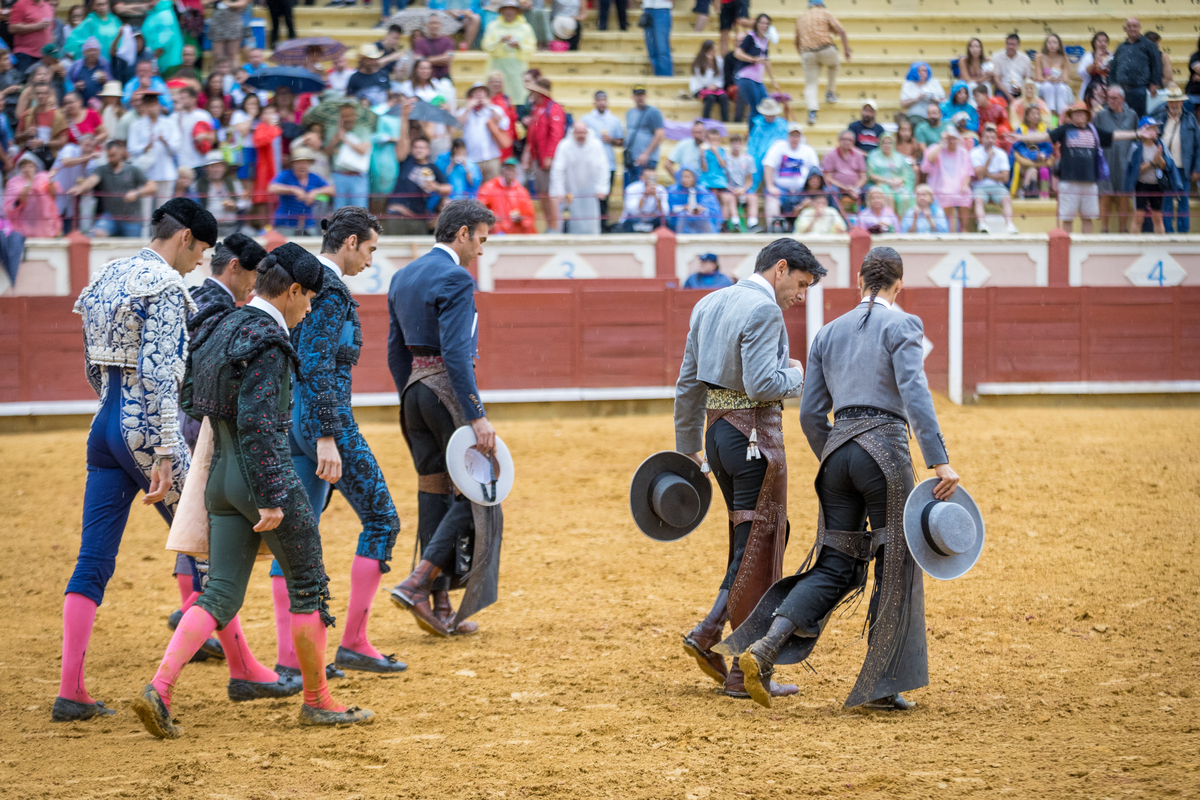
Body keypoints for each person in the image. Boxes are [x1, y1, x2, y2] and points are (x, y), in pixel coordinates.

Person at [132, 241, 374, 738]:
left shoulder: (220, 324)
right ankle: (319, 700)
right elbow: (262, 424)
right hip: (264, 478)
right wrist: (268, 494)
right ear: (292, 291)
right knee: (308, 585)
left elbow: (187, 396)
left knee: (219, 591)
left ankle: (161, 686)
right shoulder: (269, 339)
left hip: (218, 478)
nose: (308, 309)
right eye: (307, 300)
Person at [715, 246, 959, 713]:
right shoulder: (903, 324)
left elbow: (810, 413)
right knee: (896, 560)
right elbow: (915, 394)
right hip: (885, 453)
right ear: (898, 285)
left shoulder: (828, 331)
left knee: (833, 565)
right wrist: (938, 461)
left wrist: (835, 451)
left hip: (837, 454)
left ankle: (766, 648)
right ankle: (882, 686)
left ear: (859, 284)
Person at [54, 198, 217, 723]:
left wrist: (112, 412)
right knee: (209, 546)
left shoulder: (108, 275)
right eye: (202, 252)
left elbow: (91, 362)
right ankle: (239, 671)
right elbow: (161, 376)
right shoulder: (166, 286)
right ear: (186, 237)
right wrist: (166, 450)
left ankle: (71, 691)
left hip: (104, 426)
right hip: (146, 432)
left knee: (93, 559)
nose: (199, 264)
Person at [674, 238, 826, 700]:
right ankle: (727, 653)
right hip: (754, 439)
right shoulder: (763, 311)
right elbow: (764, 384)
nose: (801, 296)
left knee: (748, 543)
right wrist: (799, 374)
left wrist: (688, 450)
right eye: (800, 284)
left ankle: (713, 633)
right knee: (760, 546)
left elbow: (687, 384)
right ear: (780, 269)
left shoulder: (708, 302)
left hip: (718, 438)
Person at [269, 207, 407, 676]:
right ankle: (354, 641)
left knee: (293, 536)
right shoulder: (330, 290)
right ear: (349, 243)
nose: (370, 260)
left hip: (292, 419)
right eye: (369, 249)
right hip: (323, 420)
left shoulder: (305, 284)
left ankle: (292, 659)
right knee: (383, 522)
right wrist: (327, 434)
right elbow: (317, 363)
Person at [387, 199, 503, 638]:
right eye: (481, 238)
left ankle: (440, 600)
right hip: (447, 392)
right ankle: (419, 582)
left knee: (434, 492)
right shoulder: (456, 277)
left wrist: (411, 395)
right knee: (480, 491)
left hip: (414, 392)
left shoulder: (402, 276)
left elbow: (395, 352)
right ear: (462, 234)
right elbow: (455, 352)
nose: (481, 249)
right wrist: (475, 413)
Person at [71, 139, 155, 237]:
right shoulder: (102, 169)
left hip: (132, 219)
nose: (110, 159)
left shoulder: (133, 169)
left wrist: (137, 193)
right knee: (97, 233)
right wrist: (80, 188)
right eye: (108, 156)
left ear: (121, 153)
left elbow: (152, 186)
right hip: (110, 216)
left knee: (131, 248)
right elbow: (92, 180)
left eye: (113, 155)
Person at [389, 110, 451, 236]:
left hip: (418, 218)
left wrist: (436, 187)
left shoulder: (432, 167)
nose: (418, 150)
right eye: (416, 148)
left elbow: (448, 188)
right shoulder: (406, 161)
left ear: (428, 150)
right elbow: (404, 140)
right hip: (397, 215)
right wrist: (404, 117)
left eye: (422, 148)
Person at [794, 0, 849, 125]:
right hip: (826, 49)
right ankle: (830, 93)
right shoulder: (825, 13)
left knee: (810, 84)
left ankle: (812, 111)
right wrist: (846, 50)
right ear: (820, 5)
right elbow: (841, 31)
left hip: (807, 52)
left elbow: (796, 42)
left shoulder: (801, 18)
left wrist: (804, 56)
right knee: (834, 65)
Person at [550, 120, 609, 234]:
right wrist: (559, 191)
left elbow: (603, 168)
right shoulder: (564, 146)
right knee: (570, 223)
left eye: (583, 132)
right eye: (578, 132)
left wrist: (602, 188)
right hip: (570, 192)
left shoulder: (596, 145)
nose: (580, 135)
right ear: (573, 133)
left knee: (591, 223)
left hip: (591, 192)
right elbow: (558, 170)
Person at [522, 76, 565, 232]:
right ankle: (549, 224)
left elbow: (556, 134)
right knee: (542, 192)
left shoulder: (553, 108)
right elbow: (533, 133)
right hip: (537, 158)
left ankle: (554, 226)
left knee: (549, 193)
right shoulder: (537, 108)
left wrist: (550, 156)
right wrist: (529, 152)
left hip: (545, 159)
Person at [1151, 87, 1197, 234]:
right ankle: (1167, 232)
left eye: (1177, 102)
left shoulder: (1191, 119)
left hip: (1185, 167)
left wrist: (1197, 169)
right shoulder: (1160, 119)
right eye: (1172, 102)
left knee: (1183, 201)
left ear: (1182, 102)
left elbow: (1199, 147)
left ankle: (1183, 232)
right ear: (1168, 103)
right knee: (1167, 201)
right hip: (1166, 167)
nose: (1175, 105)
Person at [1094, 84, 1138, 233]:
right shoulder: (1101, 115)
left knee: (1124, 196)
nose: (1110, 101)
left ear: (1122, 99)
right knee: (1105, 196)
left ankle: (1123, 230)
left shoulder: (1132, 115)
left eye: (1114, 98)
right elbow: (1094, 138)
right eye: (1109, 98)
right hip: (1106, 162)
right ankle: (1104, 230)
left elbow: (1137, 141)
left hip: (1125, 163)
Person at [126, 90, 179, 210]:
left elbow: (176, 148)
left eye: (154, 104)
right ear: (143, 106)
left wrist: (165, 141)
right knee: (145, 212)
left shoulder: (169, 124)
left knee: (164, 212)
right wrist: (145, 147)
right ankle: (145, 230)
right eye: (148, 105)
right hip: (145, 175)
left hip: (165, 172)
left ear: (158, 105)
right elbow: (131, 149)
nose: (152, 108)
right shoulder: (136, 126)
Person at [762, 123, 818, 233]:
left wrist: (811, 190)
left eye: (797, 136)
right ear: (788, 136)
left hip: (802, 191)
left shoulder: (808, 150)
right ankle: (774, 230)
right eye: (792, 135)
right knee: (772, 202)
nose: (795, 138)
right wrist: (770, 186)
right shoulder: (778, 147)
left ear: (801, 137)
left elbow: (815, 171)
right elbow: (768, 165)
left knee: (813, 202)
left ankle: (806, 231)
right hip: (780, 190)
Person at [581, 90, 624, 230]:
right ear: (594, 102)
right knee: (589, 195)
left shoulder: (614, 120)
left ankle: (602, 226)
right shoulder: (586, 120)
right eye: (599, 100)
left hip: (609, 164)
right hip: (591, 164)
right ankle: (589, 225)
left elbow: (621, 141)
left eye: (604, 100)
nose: (602, 102)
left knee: (604, 197)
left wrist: (611, 140)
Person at [1127, 116, 1177, 235]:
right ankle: (1133, 244)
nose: (1155, 131)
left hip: (1157, 185)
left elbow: (1166, 167)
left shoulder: (1161, 146)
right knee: (1138, 216)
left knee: (1158, 216)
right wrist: (1152, 162)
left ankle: (1160, 246)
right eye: (1151, 128)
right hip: (1141, 185)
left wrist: (1159, 159)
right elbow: (1135, 170)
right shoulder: (1136, 147)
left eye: (1156, 128)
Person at [481, 0, 536, 101]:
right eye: (506, 9)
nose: (509, 12)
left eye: (512, 9)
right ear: (502, 11)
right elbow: (486, 45)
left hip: (517, 67)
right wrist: (499, 41)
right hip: (498, 65)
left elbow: (531, 47)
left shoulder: (525, 28)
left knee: (518, 93)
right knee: (497, 94)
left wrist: (519, 46)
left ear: (517, 11)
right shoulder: (493, 26)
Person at [269, 147, 332, 235]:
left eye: (305, 163)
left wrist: (316, 192)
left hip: (308, 223)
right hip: (285, 223)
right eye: (298, 163)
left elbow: (332, 189)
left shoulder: (314, 177)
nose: (302, 166)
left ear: (309, 164)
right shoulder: (285, 175)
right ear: (293, 164)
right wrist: (293, 189)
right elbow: (272, 188)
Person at [920, 128, 973, 232]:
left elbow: (968, 171)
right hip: (941, 186)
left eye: (954, 139)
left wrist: (964, 185)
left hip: (959, 186)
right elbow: (929, 160)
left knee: (965, 195)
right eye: (949, 139)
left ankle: (964, 230)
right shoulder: (937, 149)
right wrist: (941, 143)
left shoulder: (963, 152)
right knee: (946, 195)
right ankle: (946, 231)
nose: (952, 141)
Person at [458, 82, 511, 182]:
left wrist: (490, 106)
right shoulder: (464, 110)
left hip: (491, 157)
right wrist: (468, 108)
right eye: (476, 92)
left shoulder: (494, 109)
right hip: (472, 159)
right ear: (471, 96)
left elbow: (505, 124)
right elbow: (457, 125)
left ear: (486, 94)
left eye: (481, 92)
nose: (479, 95)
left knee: (492, 188)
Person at [324, 102, 373, 210]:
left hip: (358, 175)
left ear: (354, 116)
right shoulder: (332, 130)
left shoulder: (363, 129)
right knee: (340, 211)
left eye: (350, 115)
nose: (347, 118)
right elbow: (326, 154)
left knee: (360, 211)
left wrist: (345, 138)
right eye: (344, 116)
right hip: (338, 175)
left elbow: (363, 150)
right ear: (339, 117)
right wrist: (334, 141)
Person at [970, 125, 1017, 234]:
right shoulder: (974, 153)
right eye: (987, 137)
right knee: (978, 200)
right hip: (979, 186)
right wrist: (989, 159)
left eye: (992, 137)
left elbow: (1005, 177)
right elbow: (978, 175)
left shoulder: (1001, 153)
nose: (990, 140)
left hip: (998, 187)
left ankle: (1009, 224)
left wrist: (987, 174)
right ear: (982, 138)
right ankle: (982, 224)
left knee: (1006, 198)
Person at [733, 14, 779, 124]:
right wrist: (752, 59)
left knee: (766, 105)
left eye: (767, 23)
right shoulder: (750, 37)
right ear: (757, 24)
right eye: (762, 23)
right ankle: (753, 135)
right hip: (746, 76)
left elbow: (766, 60)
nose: (764, 25)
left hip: (757, 79)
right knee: (756, 108)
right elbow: (737, 53)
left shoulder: (765, 40)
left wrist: (773, 79)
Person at [1111, 18, 1161, 117]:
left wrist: (1155, 83)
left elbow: (1157, 64)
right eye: (1129, 26)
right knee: (1122, 117)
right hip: (1121, 90)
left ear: (1139, 28)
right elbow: (1113, 68)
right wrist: (1112, 86)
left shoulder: (1149, 45)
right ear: (1125, 29)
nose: (1132, 29)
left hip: (1140, 89)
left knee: (1139, 117)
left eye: (1135, 26)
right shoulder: (1120, 47)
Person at [5, 152, 62, 236]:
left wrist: (50, 180)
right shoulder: (14, 182)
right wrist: (29, 182)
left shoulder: (43, 177)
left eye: (30, 166)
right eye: (24, 166)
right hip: (25, 222)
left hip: (44, 221)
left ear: (35, 167)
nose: (27, 169)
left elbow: (53, 196)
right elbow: (19, 201)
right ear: (20, 168)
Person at [193, 152, 250, 236]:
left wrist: (236, 205)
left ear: (224, 168)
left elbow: (247, 204)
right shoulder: (198, 185)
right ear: (206, 168)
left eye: (219, 166)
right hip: (208, 229)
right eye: (213, 166)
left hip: (233, 227)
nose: (217, 169)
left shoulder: (233, 182)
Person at [478, 156, 537, 234]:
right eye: (507, 169)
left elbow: (529, 216)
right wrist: (491, 216)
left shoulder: (521, 191)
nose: (509, 172)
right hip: (495, 231)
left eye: (512, 170)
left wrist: (521, 219)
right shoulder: (490, 187)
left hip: (515, 232)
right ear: (502, 170)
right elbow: (480, 207)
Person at [15, 80, 67, 168]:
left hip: (51, 158)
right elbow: (17, 138)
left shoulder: (58, 116)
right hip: (30, 159)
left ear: (49, 94)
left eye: (44, 93)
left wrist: (43, 143)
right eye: (38, 93)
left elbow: (62, 142)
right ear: (34, 95)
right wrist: (26, 133)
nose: (41, 96)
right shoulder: (27, 114)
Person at [174, 86, 214, 196]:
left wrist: (204, 136)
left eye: (184, 98)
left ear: (193, 99)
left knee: (198, 197)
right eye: (180, 98)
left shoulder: (203, 115)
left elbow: (213, 137)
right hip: (180, 164)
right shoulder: (174, 116)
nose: (181, 101)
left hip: (199, 162)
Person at [623, 84, 665, 187]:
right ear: (633, 97)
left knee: (647, 189)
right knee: (630, 190)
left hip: (647, 160)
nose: (640, 97)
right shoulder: (629, 113)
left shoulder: (653, 112)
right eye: (637, 95)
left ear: (646, 96)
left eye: (642, 95)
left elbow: (659, 134)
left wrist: (646, 153)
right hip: (631, 159)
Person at [866, 132, 914, 215]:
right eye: (884, 142)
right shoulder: (873, 155)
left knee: (905, 197)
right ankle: (890, 225)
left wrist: (900, 180)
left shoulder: (898, 156)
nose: (887, 145)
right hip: (881, 184)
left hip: (898, 185)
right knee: (888, 197)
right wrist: (888, 181)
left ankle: (903, 224)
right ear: (880, 144)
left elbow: (907, 173)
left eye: (889, 143)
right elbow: (871, 174)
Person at [821, 129, 867, 215]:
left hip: (856, 187)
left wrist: (855, 189)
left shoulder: (859, 154)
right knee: (831, 191)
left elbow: (863, 177)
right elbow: (828, 178)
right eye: (844, 139)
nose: (847, 142)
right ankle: (836, 217)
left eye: (850, 140)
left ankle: (866, 221)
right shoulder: (830, 155)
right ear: (839, 140)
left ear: (853, 141)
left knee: (871, 191)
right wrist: (846, 188)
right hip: (838, 188)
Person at [746, 96, 788, 188]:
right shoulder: (758, 127)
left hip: (778, 157)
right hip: (759, 158)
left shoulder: (782, 125)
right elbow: (752, 146)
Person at [667, 166, 722, 234]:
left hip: (700, 219)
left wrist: (701, 208)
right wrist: (684, 207)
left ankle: (710, 239)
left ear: (694, 178)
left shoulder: (702, 191)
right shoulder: (673, 191)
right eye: (683, 177)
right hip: (682, 219)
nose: (685, 180)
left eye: (688, 177)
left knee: (704, 215)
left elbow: (711, 208)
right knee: (682, 215)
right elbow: (670, 209)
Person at [724, 133, 759, 232]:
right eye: (734, 143)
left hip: (743, 189)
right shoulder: (725, 159)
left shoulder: (748, 159)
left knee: (753, 198)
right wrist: (731, 189)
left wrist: (743, 189)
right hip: (729, 189)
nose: (736, 146)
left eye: (738, 143)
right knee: (730, 198)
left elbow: (749, 180)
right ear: (730, 144)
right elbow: (722, 178)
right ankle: (735, 222)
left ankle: (752, 223)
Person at [619, 164, 669, 232]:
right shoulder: (632, 189)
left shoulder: (661, 190)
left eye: (653, 178)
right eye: (648, 178)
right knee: (629, 223)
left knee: (664, 222)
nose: (651, 180)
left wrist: (658, 199)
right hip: (634, 221)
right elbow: (633, 212)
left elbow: (665, 213)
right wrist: (645, 196)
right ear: (641, 177)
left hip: (651, 221)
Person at [9, 0, 55, 73]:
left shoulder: (48, 6)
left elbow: (50, 32)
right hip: (25, 54)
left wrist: (52, 52)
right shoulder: (20, 4)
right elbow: (12, 28)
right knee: (24, 82)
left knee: (42, 83)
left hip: (44, 56)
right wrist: (36, 26)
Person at [434, 137, 482, 202]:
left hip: (466, 199)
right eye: (457, 151)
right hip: (449, 199)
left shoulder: (471, 165)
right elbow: (442, 179)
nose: (459, 153)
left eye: (461, 150)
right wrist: (452, 164)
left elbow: (473, 183)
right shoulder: (443, 162)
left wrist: (465, 166)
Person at [66, 37, 112, 104]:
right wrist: (75, 86)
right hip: (81, 104)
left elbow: (112, 83)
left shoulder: (105, 64)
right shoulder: (76, 66)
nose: (92, 53)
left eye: (94, 50)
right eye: (89, 50)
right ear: (84, 53)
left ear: (99, 52)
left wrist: (106, 80)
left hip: (101, 104)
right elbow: (68, 83)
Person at [690, 40, 727, 122]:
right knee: (710, 98)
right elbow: (703, 80)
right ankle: (705, 121)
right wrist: (709, 66)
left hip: (715, 88)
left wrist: (716, 85)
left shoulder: (719, 61)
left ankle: (725, 121)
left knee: (723, 97)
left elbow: (721, 77)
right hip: (700, 88)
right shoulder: (698, 63)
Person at [990, 33, 1032, 102]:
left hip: (1020, 90)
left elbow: (1028, 79)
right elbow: (996, 80)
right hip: (1002, 90)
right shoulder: (997, 57)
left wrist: (1022, 88)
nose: (1010, 47)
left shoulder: (1025, 58)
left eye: (1013, 44)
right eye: (1008, 44)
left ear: (1018, 45)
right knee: (999, 100)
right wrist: (1008, 94)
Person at [641, 0, 674, 78]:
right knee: (651, 49)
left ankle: (666, 79)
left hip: (662, 9)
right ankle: (658, 77)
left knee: (662, 49)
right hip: (647, 9)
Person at [1078, 31, 1112, 103]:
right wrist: (1095, 63)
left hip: (1108, 87)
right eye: (1100, 41)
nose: (1103, 44)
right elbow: (1081, 74)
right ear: (1094, 43)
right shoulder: (1088, 56)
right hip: (1092, 89)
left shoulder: (1111, 56)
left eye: (1105, 41)